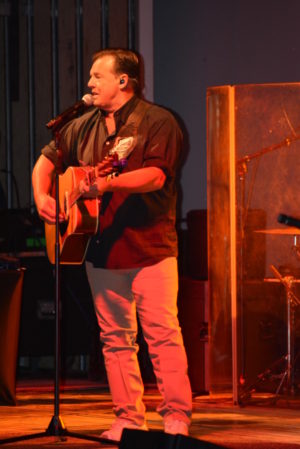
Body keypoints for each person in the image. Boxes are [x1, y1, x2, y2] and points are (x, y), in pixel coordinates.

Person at [32, 48, 192, 442]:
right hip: (100, 249)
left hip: (150, 247)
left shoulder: (158, 122)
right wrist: (42, 197)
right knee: (115, 339)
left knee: (162, 334)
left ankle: (176, 416)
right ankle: (127, 418)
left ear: (123, 81)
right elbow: (45, 162)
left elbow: (156, 175)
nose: (89, 83)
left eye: (97, 76)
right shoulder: (81, 126)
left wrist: (109, 183)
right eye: (90, 76)